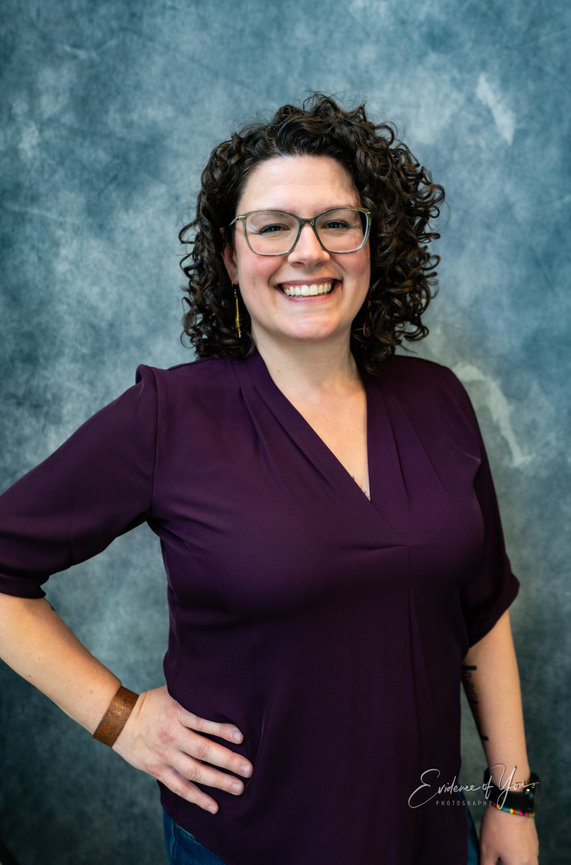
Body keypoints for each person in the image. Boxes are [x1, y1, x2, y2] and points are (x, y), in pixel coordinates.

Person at [0, 94, 539, 865]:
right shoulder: (169, 416)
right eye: (272, 225)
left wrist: (510, 799)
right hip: (245, 842)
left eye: (336, 222)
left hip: (427, 835)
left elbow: (482, 611)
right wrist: (119, 716)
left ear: (371, 243)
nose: (307, 251)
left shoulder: (436, 399)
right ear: (229, 255)